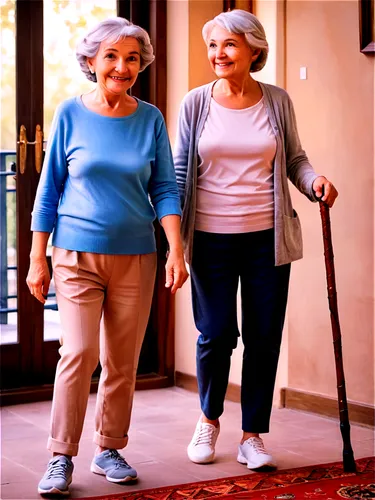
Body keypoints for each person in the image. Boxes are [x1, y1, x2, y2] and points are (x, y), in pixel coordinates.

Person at [27, 17, 188, 497]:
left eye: (132, 58)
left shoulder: (151, 118)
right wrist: (39, 258)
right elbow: (48, 188)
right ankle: (60, 456)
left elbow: (164, 187)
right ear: (92, 62)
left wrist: (174, 249)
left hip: (137, 254)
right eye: (112, 57)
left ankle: (109, 448)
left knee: (122, 361)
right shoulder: (70, 114)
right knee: (78, 353)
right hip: (75, 254)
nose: (122, 66)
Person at [174, 9, 338, 471]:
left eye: (228, 44)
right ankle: (208, 419)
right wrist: (175, 242)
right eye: (213, 46)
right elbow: (181, 171)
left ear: (253, 49)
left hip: (268, 239)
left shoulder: (277, 101)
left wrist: (314, 182)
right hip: (210, 238)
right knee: (216, 334)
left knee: (264, 338)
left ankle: (253, 435)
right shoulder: (196, 103)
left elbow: (296, 159)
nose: (218, 54)